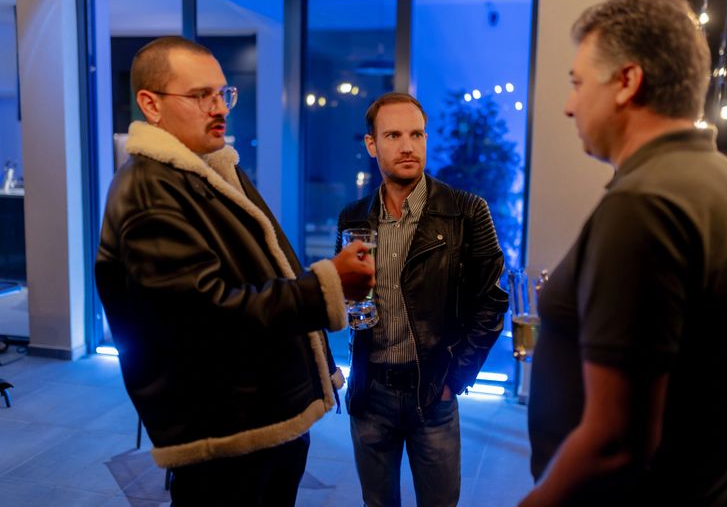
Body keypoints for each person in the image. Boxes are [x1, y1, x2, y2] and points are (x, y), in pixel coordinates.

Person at [520, 0, 727, 506]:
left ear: (626, 81)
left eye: (577, 83)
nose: (569, 105)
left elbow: (617, 441)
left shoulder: (644, 204)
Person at [95, 36, 375, 507]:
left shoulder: (208, 169)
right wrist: (327, 285)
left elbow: (260, 273)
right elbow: (206, 316)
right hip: (224, 432)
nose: (218, 107)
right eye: (199, 95)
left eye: (223, 94)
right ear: (151, 104)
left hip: (259, 418)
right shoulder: (150, 190)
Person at [337, 92, 509, 507]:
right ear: (371, 144)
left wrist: (456, 379)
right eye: (393, 135)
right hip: (370, 391)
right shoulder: (353, 218)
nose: (408, 146)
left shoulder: (467, 211)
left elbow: (491, 302)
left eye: (417, 134)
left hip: (433, 392)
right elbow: (348, 293)